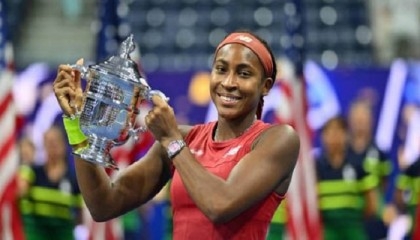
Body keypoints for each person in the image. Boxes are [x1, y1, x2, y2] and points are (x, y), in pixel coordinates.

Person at [52, 30, 300, 239]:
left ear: (265, 86)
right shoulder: (184, 139)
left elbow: (220, 205)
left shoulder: (278, 140)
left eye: (244, 73)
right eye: (221, 69)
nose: (229, 82)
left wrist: (172, 140)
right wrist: (77, 123)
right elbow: (104, 204)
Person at [315, 116, 378, 240]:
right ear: (323, 137)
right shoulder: (316, 167)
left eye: (339, 131)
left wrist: (352, 218)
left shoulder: (359, 165)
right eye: (330, 132)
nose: (334, 137)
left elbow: (372, 205)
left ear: (346, 135)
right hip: (327, 232)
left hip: (354, 231)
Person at [18, 125, 83, 240]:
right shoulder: (32, 172)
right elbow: (19, 195)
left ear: (63, 145)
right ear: (43, 145)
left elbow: (79, 216)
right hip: (35, 233)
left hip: (64, 234)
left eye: (55, 142)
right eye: (48, 142)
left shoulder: (74, 178)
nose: (52, 146)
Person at [347, 100, 395, 239]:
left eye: (363, 120)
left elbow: (386, 185)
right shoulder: (343, 153)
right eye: (357, 120)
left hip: (375, 219)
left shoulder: (380, 153)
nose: (360, 124)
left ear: (371, 122)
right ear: (350, 121)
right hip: (350, 217)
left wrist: (383, 207)